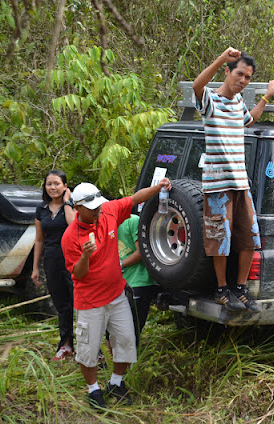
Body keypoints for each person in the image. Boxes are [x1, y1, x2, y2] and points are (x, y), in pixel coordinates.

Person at [61, 178, 171, 410]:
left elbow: (135, 198)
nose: (98, 211)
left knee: (126, 341)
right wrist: (85, 257)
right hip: (90, 302)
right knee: (88, 350)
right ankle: (93, 389)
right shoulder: (71, 237)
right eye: (92, 210)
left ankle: (116, 383)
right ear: (78, 208)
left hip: (117, 295)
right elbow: (78, 275)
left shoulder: (108, 211)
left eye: (99, 206)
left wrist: (158, 187)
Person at [192, 47, 274, 312]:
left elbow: (249, 120)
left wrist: (266, 95)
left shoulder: (238, 102)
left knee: (248, 237)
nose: (242, 80)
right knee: (220, 239)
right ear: (228, 72)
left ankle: (240, 289)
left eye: (247, 77)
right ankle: (222, 289)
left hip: (240, 183)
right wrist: (221, 57)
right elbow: (197, 86)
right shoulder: (211, 101)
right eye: (239, 74)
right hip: (217, 184)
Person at [32, 169, 76, 361]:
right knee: (61, 304)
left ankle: (89, 348)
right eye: (49, 183)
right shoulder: (41, 210)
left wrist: (67, 201)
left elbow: (73, 224)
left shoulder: (73, 206)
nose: (53, 187)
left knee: (79, 304)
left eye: (57, 183)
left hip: (73, 260)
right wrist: (35, 268)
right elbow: (39, 240)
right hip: (51, 260)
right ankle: (65, 345)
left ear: (65, 186)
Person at [117, 214, 158, 347]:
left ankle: (130, 364)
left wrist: (120, 265)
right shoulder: (101, 227)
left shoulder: (132, 221)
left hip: (139, 280)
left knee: (132, 329)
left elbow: (142, 252)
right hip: (118, 282)